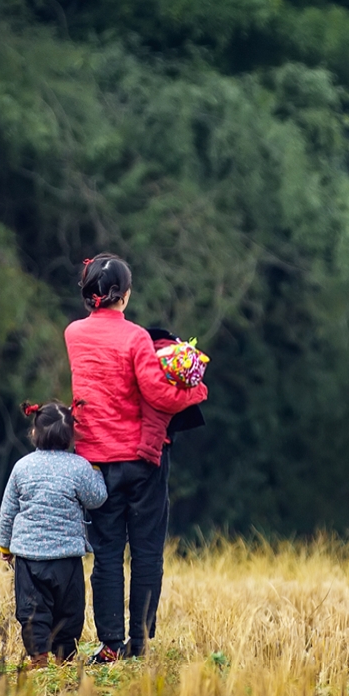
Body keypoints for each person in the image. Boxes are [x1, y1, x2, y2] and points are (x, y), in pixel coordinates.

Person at [65, 253, 209, 660]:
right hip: (143, 462)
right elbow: (158, 393)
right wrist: (196, 391)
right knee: (146, 551)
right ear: (123, 297)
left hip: (94, 463)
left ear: (88, 293)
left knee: (106, 552)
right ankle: (140, 643)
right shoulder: (135, 339)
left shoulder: (73, 334)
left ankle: (109, 645)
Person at [0, 402, 109, 667]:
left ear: (34, 433)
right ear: (71, 436)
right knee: (68, 611)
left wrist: (5, 546)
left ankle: (38, 658)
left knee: (32, 611)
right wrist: (97, 472)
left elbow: (8, 510)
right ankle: (64, 657)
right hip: (66, 558)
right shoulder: (79, 467)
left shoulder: (22, 467)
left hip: (28, 556)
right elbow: (98, 498)